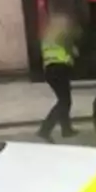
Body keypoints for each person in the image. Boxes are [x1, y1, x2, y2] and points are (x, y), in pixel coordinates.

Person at [37, 11, 80, 143]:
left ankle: (66, 129)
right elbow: (73, 51)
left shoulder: (47, 37)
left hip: (49, 70)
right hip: (60, 68)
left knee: (64, 99)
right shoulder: (63, 36)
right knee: (64, 101)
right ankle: (45, 130)